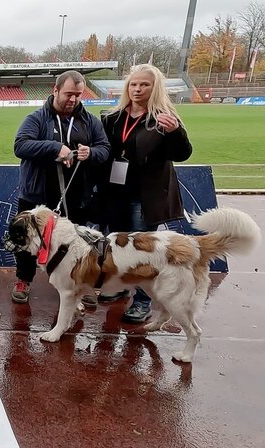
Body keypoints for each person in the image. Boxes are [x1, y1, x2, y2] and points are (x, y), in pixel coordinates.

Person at [89, 64, 192, 322]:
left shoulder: (164, 118)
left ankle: (143, 301)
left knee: (143, 250)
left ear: (154, 87)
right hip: (115, 194)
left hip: (145, 197)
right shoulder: (112, 117)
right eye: (133, 84)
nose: (137, 89)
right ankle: (119, 288)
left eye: (144, 84)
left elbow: (182, 154)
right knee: (115, 246)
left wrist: (175, 132)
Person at [11, 70, 110, 304]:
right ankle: (24, 280)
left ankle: (80, 284)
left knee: (78, 243)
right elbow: (21, 146)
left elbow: (105, 148)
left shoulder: (90, 121)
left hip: (76, 195)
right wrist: (55, 148)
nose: (73, 100)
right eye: (68, 94)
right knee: (26, 240)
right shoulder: (36, 118)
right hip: (37, 195)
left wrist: (91, 153)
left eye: (78, 95)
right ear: (55, 90)